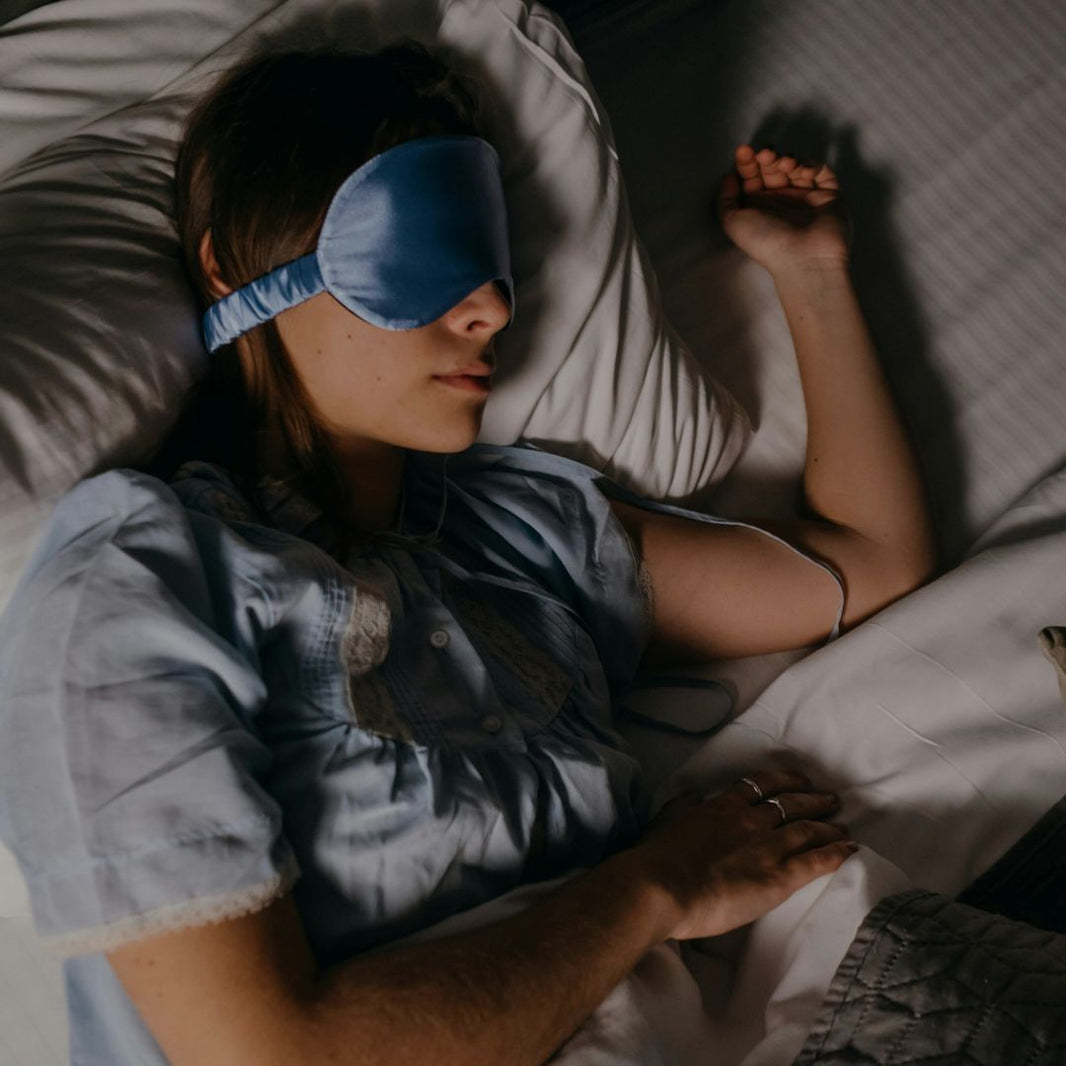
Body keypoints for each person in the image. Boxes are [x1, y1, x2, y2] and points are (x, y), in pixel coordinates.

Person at [0, 37, 938, 1066]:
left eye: (489, 259)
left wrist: (811, 276)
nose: (491, 305)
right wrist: (657, 885)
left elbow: (868, 564)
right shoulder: (137, 582)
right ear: (233, 262)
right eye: (422, 245)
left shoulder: (520, 530)